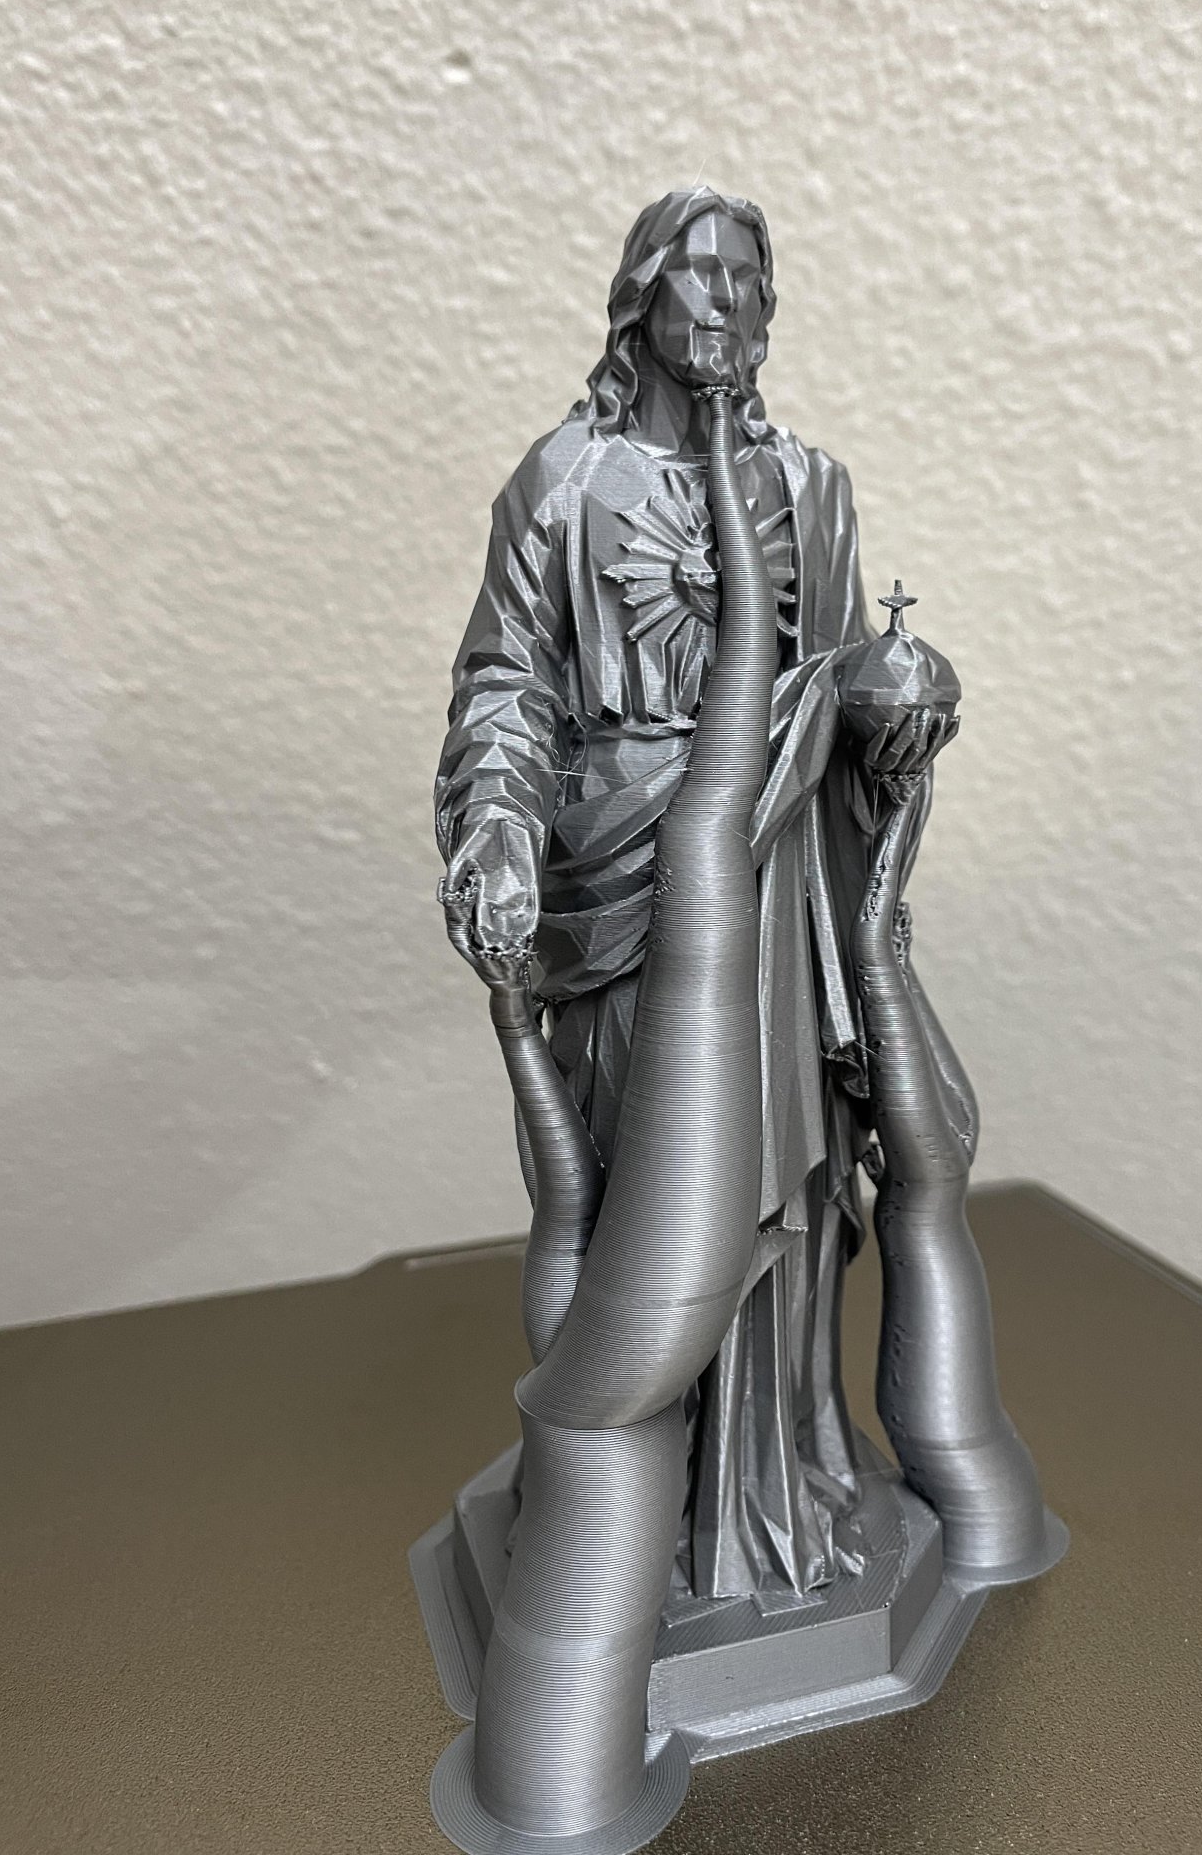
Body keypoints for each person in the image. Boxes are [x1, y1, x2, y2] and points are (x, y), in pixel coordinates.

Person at [435, 187, 957, 1599]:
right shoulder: (566, 480)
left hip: (775, 885)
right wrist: (498, 830)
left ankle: (764, 1495)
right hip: (617, 883)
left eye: (750, 281)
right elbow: (506, 681)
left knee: (783, 1190)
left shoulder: (813, 488)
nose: (729, 303)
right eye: (703, 276)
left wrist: (892, 729)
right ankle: (625, 1503)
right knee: (630, 1184)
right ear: (643, 296)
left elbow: (837, 690)